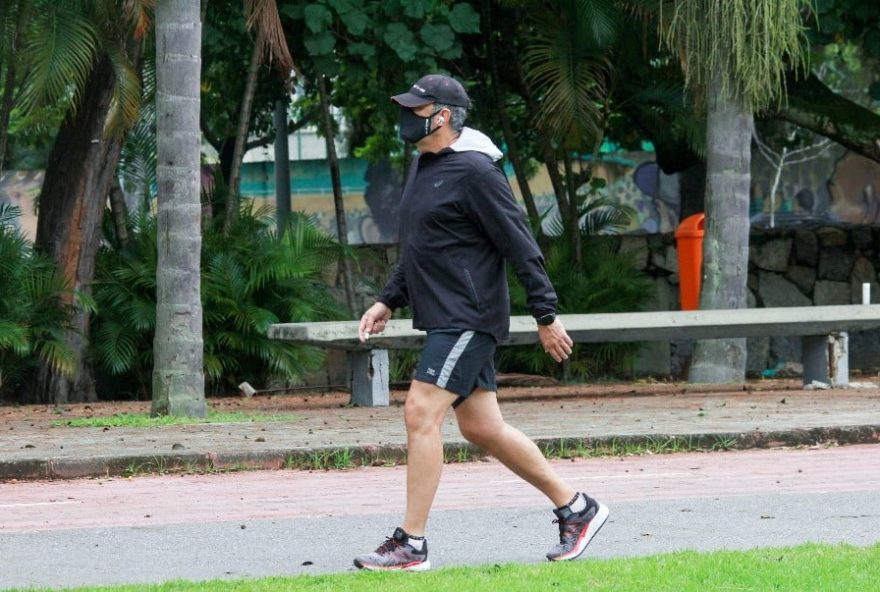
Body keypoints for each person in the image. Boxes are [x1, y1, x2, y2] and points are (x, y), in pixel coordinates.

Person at [353, 74, 608, 571]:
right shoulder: (425, 166)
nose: (407, 116)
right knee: (482, 428)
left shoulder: (475, 171)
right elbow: (422, 246)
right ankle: (578, 508)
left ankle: (412, 544)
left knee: (420, 413)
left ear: (442, 115)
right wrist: (388, 299)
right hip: (445, 315)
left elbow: (519, 243)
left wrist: (545, 313)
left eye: (416, 108)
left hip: (467, 316)